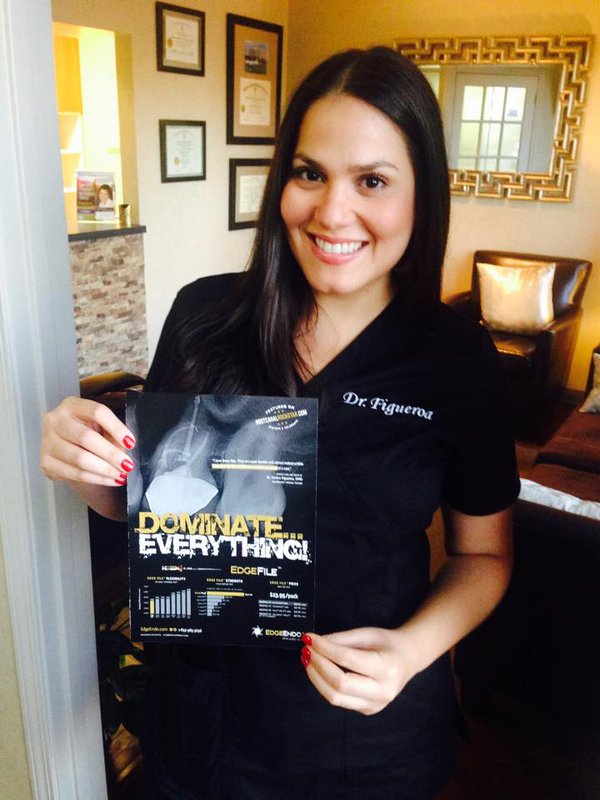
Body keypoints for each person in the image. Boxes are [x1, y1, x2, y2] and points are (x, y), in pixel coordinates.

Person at [41, 46, 519, 800]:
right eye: (309, 173)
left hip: (362, 736)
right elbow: (156, 511)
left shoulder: (456, 359)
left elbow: (484, 557)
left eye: (372, 181)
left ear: (421, 196)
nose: (333, 212)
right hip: (201, 724)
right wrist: (90, 470)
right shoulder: (204, 315)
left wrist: (409, 650)